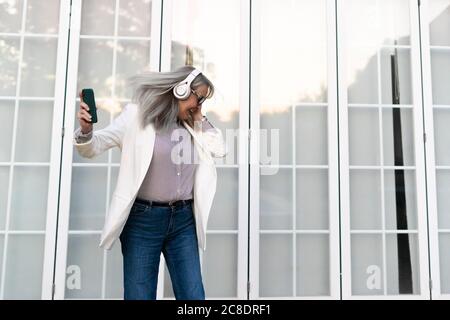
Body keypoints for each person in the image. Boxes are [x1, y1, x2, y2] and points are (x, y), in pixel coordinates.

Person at [73, 66, 227, 300]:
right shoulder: (136, 116)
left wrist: (200, 118)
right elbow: (94, 146)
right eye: (199, 97)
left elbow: (220, 149)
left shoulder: (191, 124)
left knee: (193, 296)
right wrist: (86, 130)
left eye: (204, 100)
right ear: (181, 90)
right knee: (139, 295)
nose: (200, 104)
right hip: (143, 221)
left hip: (183, 221)